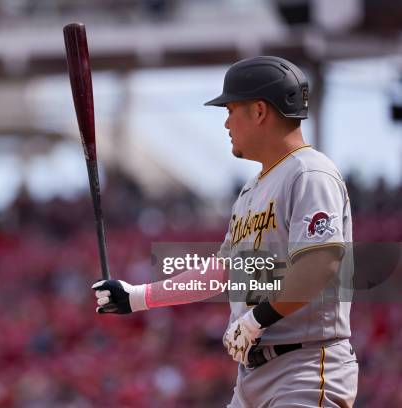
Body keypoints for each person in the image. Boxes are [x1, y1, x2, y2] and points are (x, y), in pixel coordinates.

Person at [92, 56, 357, 407]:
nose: (226, 122)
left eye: (231, 109)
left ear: (260, 111)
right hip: (252, 377)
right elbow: (222, 272)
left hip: (305, 368)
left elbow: (319, 267)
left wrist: (257, 319)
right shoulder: (252, 189)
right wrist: (136, 296)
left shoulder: (309, 173)